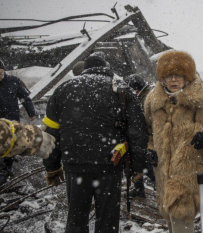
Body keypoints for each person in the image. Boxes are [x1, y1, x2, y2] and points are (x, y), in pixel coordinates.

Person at [42, 53, 148, 233]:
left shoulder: (63, 90)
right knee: (108, 220)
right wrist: (137, 166)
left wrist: (52, 165)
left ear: (84, 69)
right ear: (107, 69)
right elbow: (137, 131)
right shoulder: (122, 90)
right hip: (110, 164)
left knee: (76, 218)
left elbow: (50, 132)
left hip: (75, 164)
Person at [144, 50, 203, 233]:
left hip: (191, 174)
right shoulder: (153, 100)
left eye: (178, 75)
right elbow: (148, 132)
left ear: (187, 76)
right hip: (163, 174)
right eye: (168, 75)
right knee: (171, 220)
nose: (173, 80)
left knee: (181, 221)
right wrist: (150, 149)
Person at [0, 59, 37, 186]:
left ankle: (8, 169)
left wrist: (31, 113)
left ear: (4, 70)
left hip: (12, 120)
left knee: (12, 144)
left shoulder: (14, 81)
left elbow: (25, 98)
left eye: (0, 72)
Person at [124, 73, 154, 198]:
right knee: (136, 164)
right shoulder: (144, 95)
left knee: (147, 165)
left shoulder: (147, 97)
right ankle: (138, 188)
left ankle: (164, 189)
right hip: (141, 137)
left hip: (146, 138)